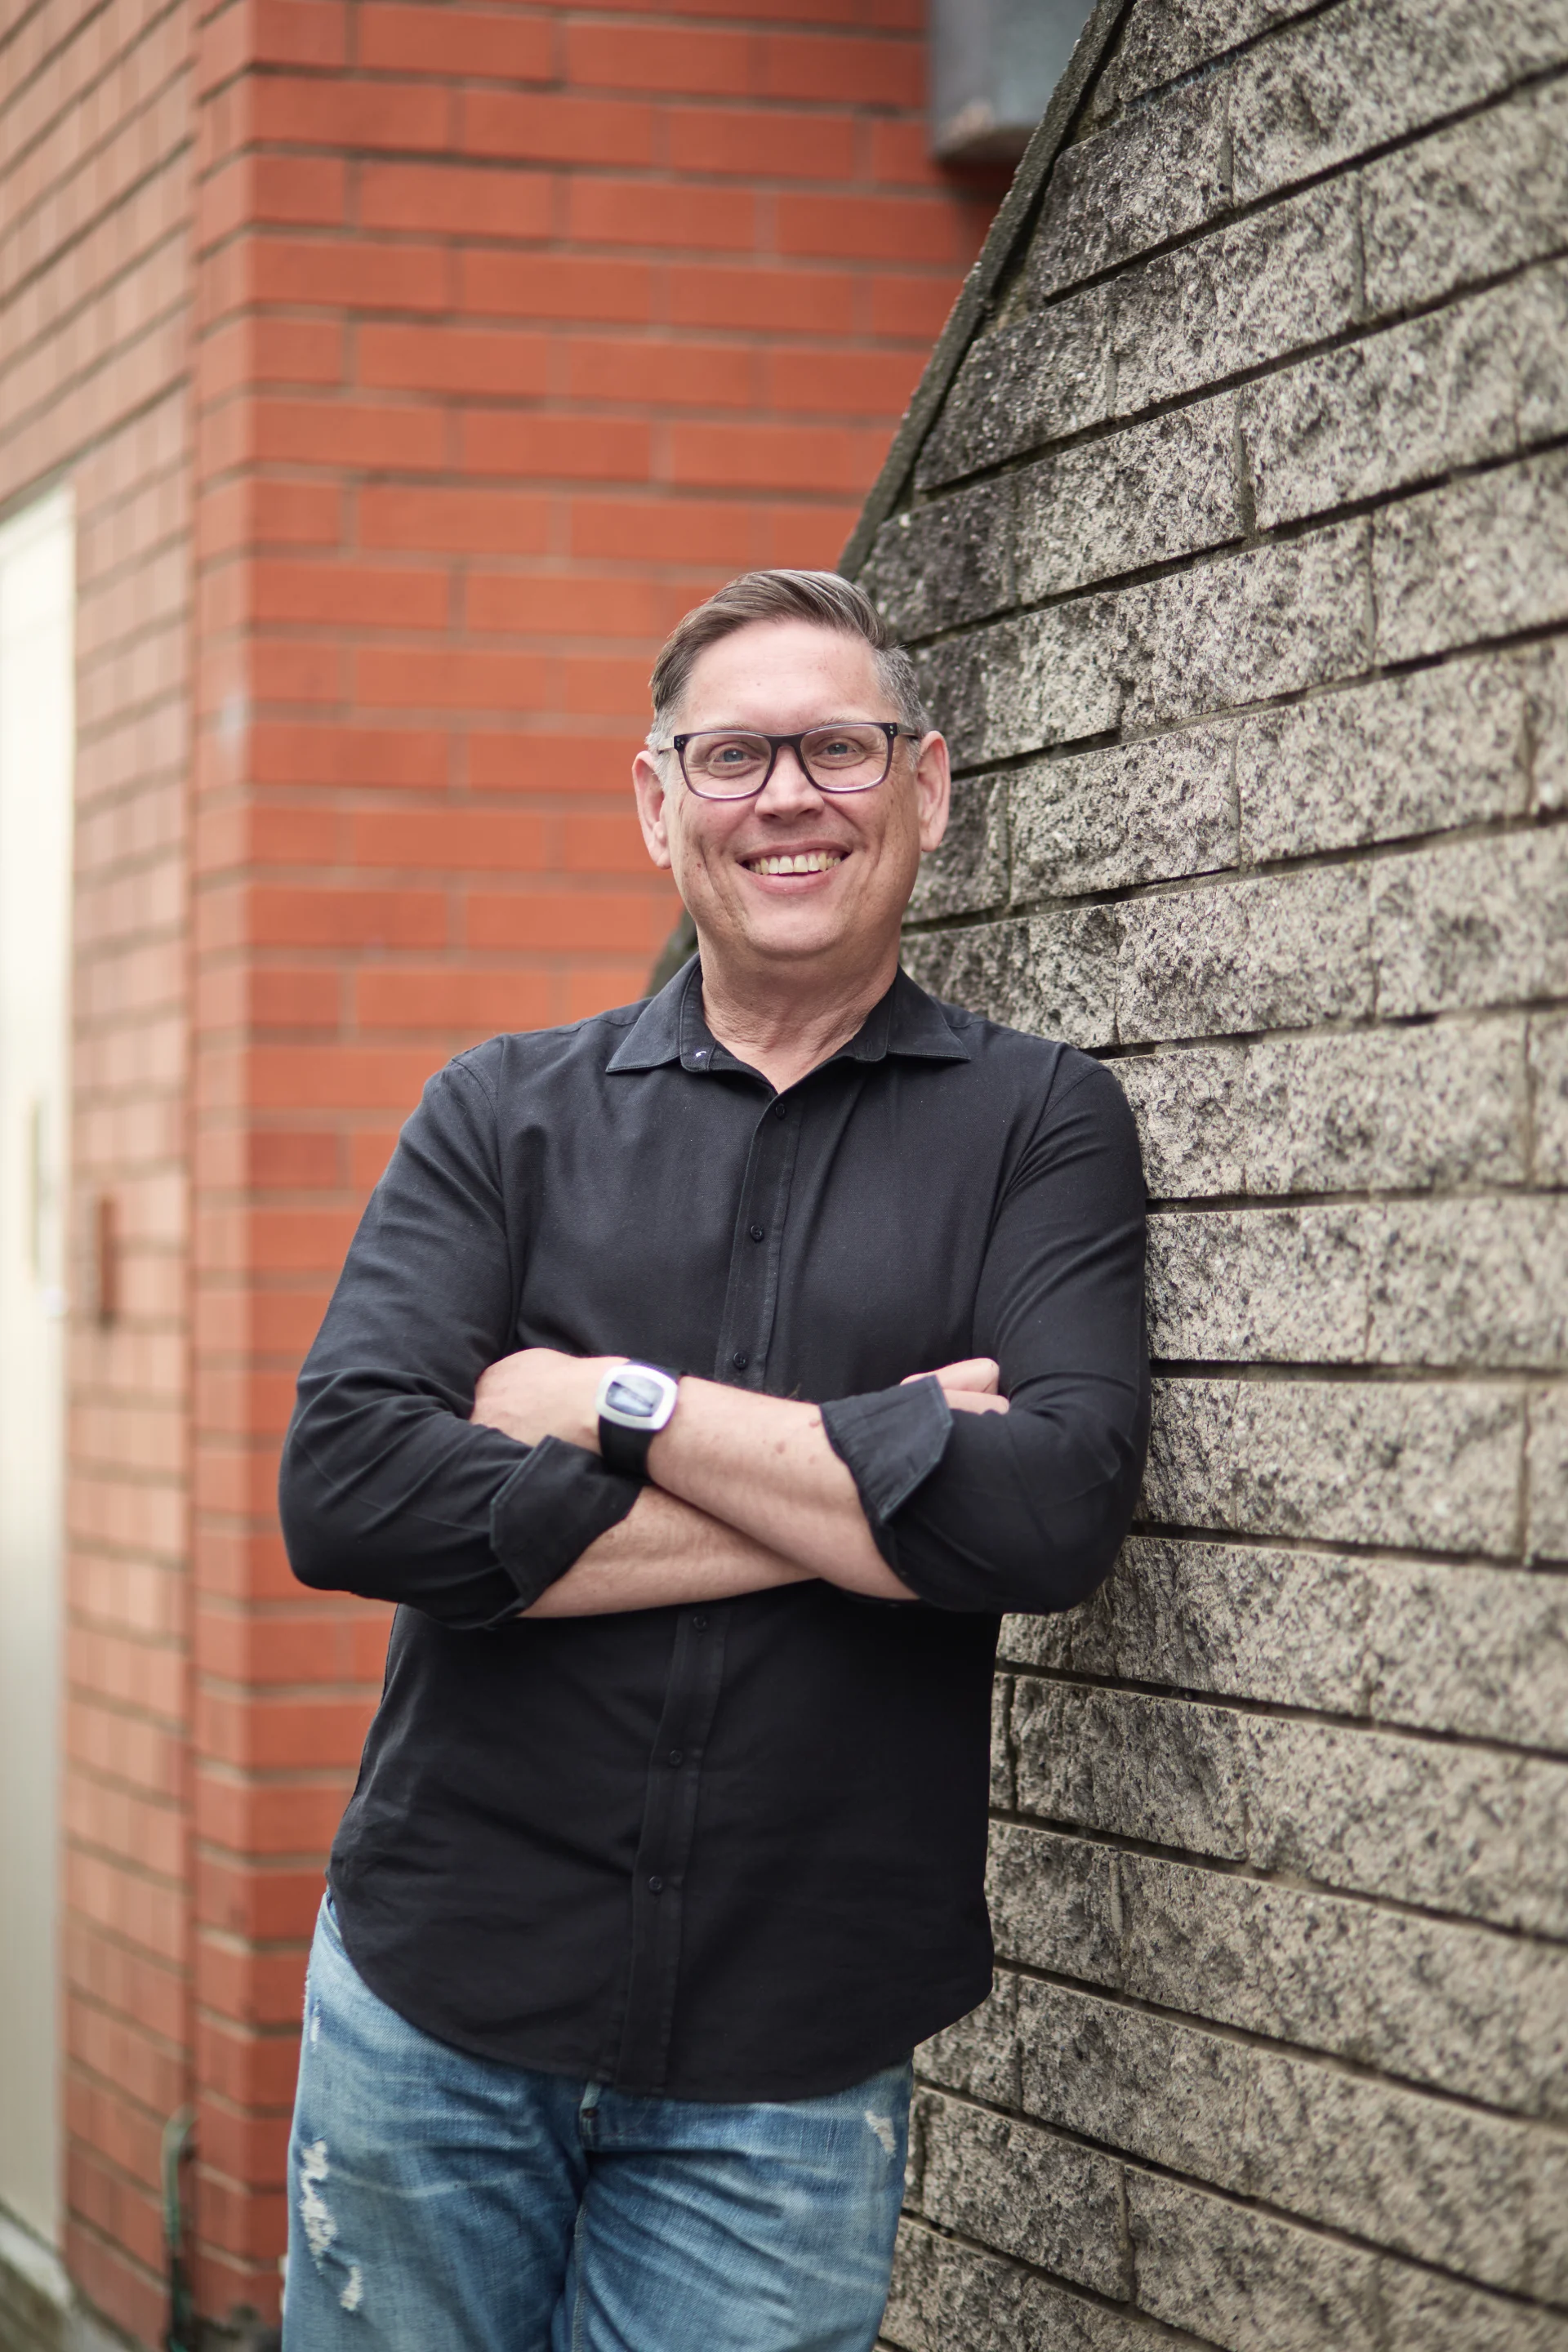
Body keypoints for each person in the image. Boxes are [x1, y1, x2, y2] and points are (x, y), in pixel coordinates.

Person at [278, 569, 1149, 2351]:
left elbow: (1052, 1513)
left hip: (791, 2056)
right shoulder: (498, 1115)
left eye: (837, 746)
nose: (788, 796)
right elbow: (349, 1490)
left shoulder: (1041, 1123)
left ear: (927, 786)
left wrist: (611, 1405)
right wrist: (887, 1480)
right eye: (735, 754)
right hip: (437, 2005)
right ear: (657, 802)